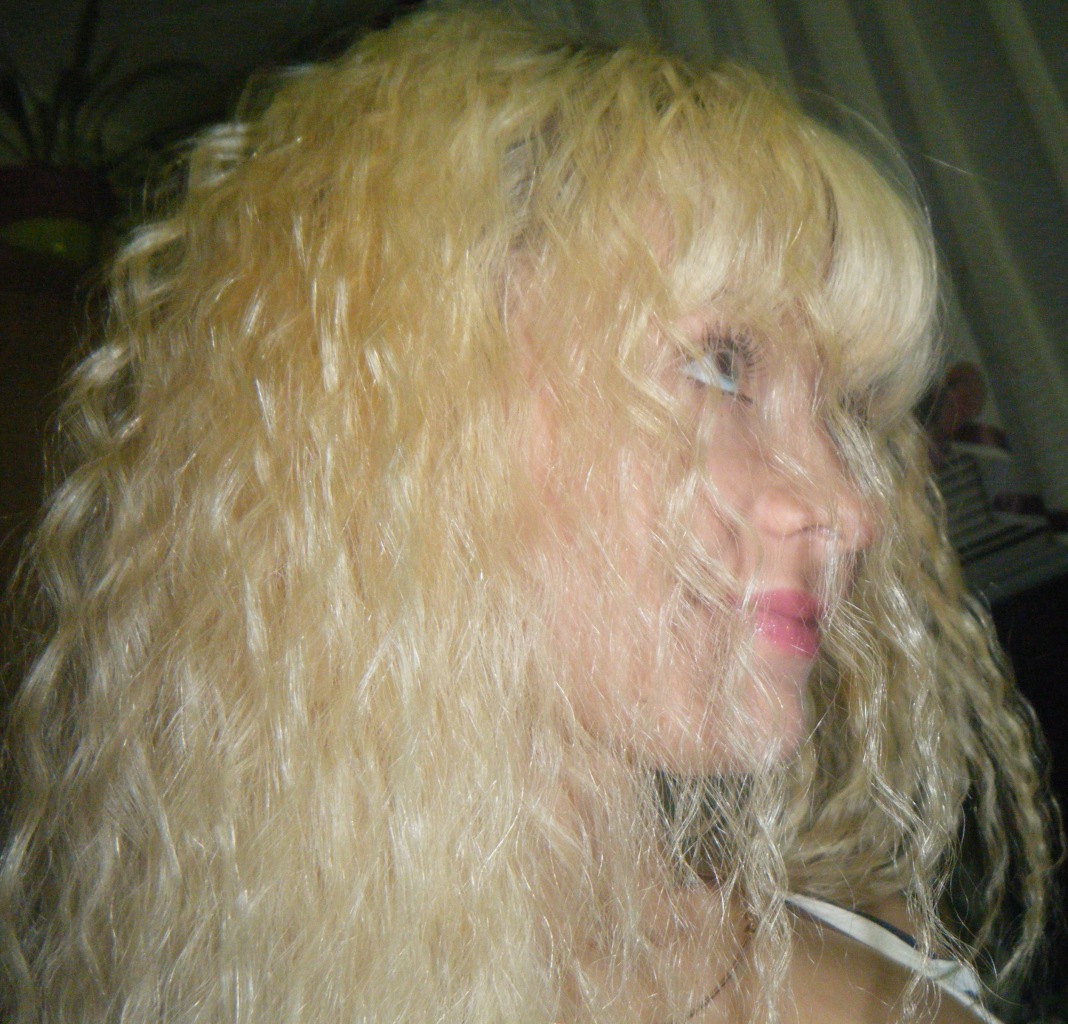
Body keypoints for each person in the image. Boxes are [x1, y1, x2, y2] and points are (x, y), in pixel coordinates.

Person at [0, 5, 1056, 1022]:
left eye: (841, 410)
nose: (849, 508)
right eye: (719, 364)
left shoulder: (876, 970)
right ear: (409, 415)